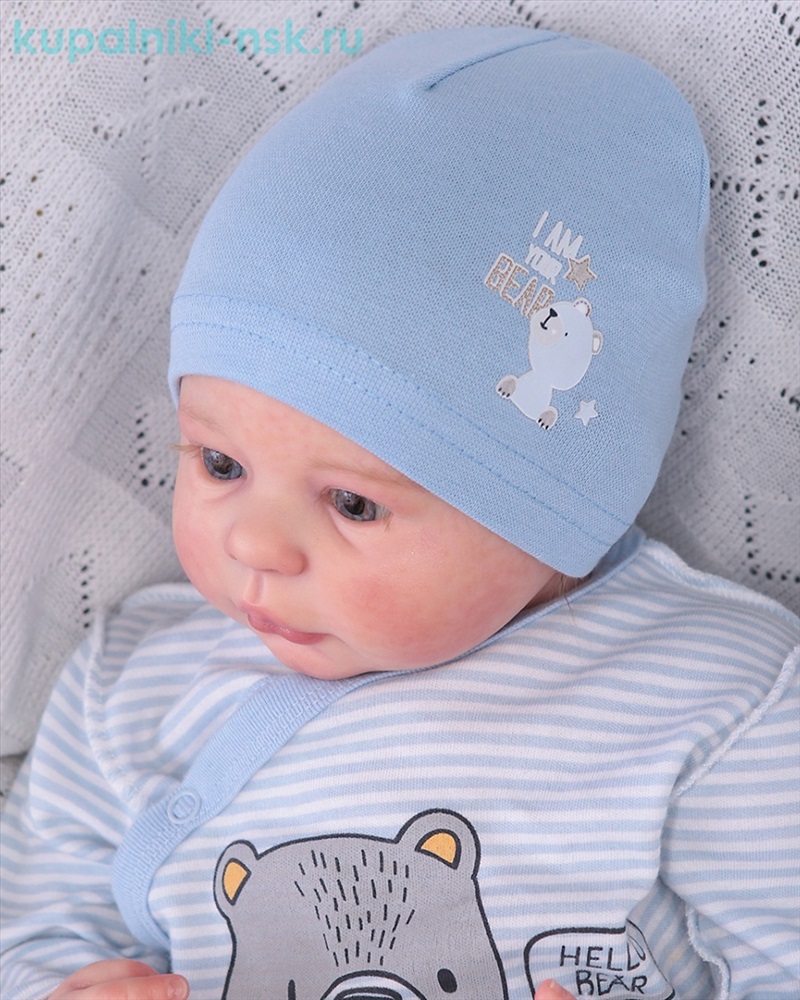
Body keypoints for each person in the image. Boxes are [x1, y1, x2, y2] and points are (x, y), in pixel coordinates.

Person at [1, 25, 798, 1000]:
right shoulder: (131, 683)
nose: (253, 542)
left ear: (551, 507)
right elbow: (32, 917)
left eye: (352, 503)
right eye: (219, 462)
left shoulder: (715, 695)